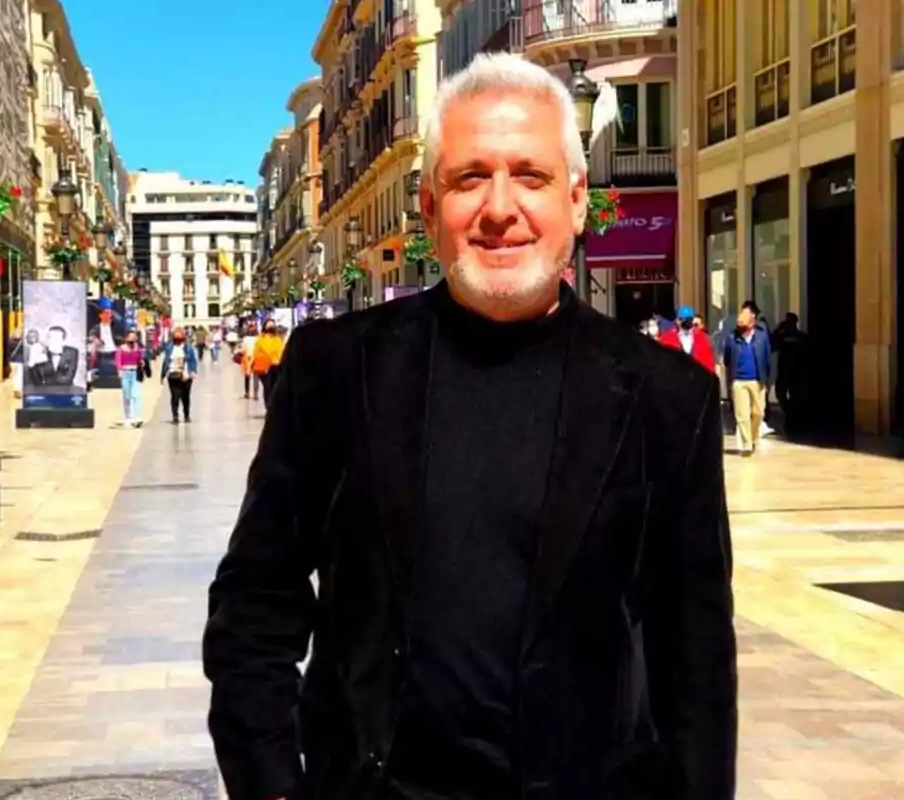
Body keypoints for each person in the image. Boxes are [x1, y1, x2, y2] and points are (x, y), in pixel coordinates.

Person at [203, 52, 736, 800]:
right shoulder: (334, 371)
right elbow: (255, 607)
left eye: (531, 174)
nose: (499, 206)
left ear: (577, 201)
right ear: (427, 207)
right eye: (469, 177)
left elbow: (696, 665)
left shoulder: (668, 400)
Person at [721, 304, 772, 456]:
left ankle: (753, 437)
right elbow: (727, 358)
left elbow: (767, 358)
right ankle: (747, 445)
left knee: (758, 412)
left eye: (745, 315)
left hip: (757, 380)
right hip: (739, 381)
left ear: (753, 318)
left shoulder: (762, 336)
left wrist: (765, 379)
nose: (740, 319)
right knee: (742, 414)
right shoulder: (732, 337)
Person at [660, 305, 716, 373]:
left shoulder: (703, 338)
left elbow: (709, 364)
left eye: (688, 319)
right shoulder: (667, 338)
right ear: (677, 321)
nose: (685, 322)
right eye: (681, 319)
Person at [161, 326, 197, 424]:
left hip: (185, 374)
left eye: (180, 339)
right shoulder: (169, 348)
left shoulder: (188, 348)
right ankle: (175, 416)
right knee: (174, 396)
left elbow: (193, 360)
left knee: (185, 396)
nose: (178, 341)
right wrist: (163, 374)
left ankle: (186, 415)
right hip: (173, 374)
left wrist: (193, 371)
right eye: (176, 339)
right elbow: (165, 361)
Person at [249, 319, 285, 401]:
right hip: (264, 366)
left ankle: (274, 405)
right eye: (268, 325)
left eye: (272, 325)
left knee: (275, 387)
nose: (270, 326)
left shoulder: (278, 338)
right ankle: (268, 406)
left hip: (276, 365)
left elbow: (282, 351)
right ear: (264, 326)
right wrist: (251, 364)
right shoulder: (261, 338)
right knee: (267, 386)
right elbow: (256, 351)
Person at [115, 331, 145, 428]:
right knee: (126, 396)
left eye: (134, 338)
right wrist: (120, 371)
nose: (132, 340)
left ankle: (137, 417)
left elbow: (140, 359)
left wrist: (142, 362)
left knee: (136, 395)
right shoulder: (121, 349)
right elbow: (118, 361)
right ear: (126, 338)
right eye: (130, 338)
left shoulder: (137, 349)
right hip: (125, 372)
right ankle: (128, 417)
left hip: (135, 372)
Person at [238, 322, 259, 400]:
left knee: (247, 376)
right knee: (256, 376)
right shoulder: (258, 338)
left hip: (247, 358)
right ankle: (255, 393)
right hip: (256, 357)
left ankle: (247, 393)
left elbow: (242, 349)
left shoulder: (245, 339)